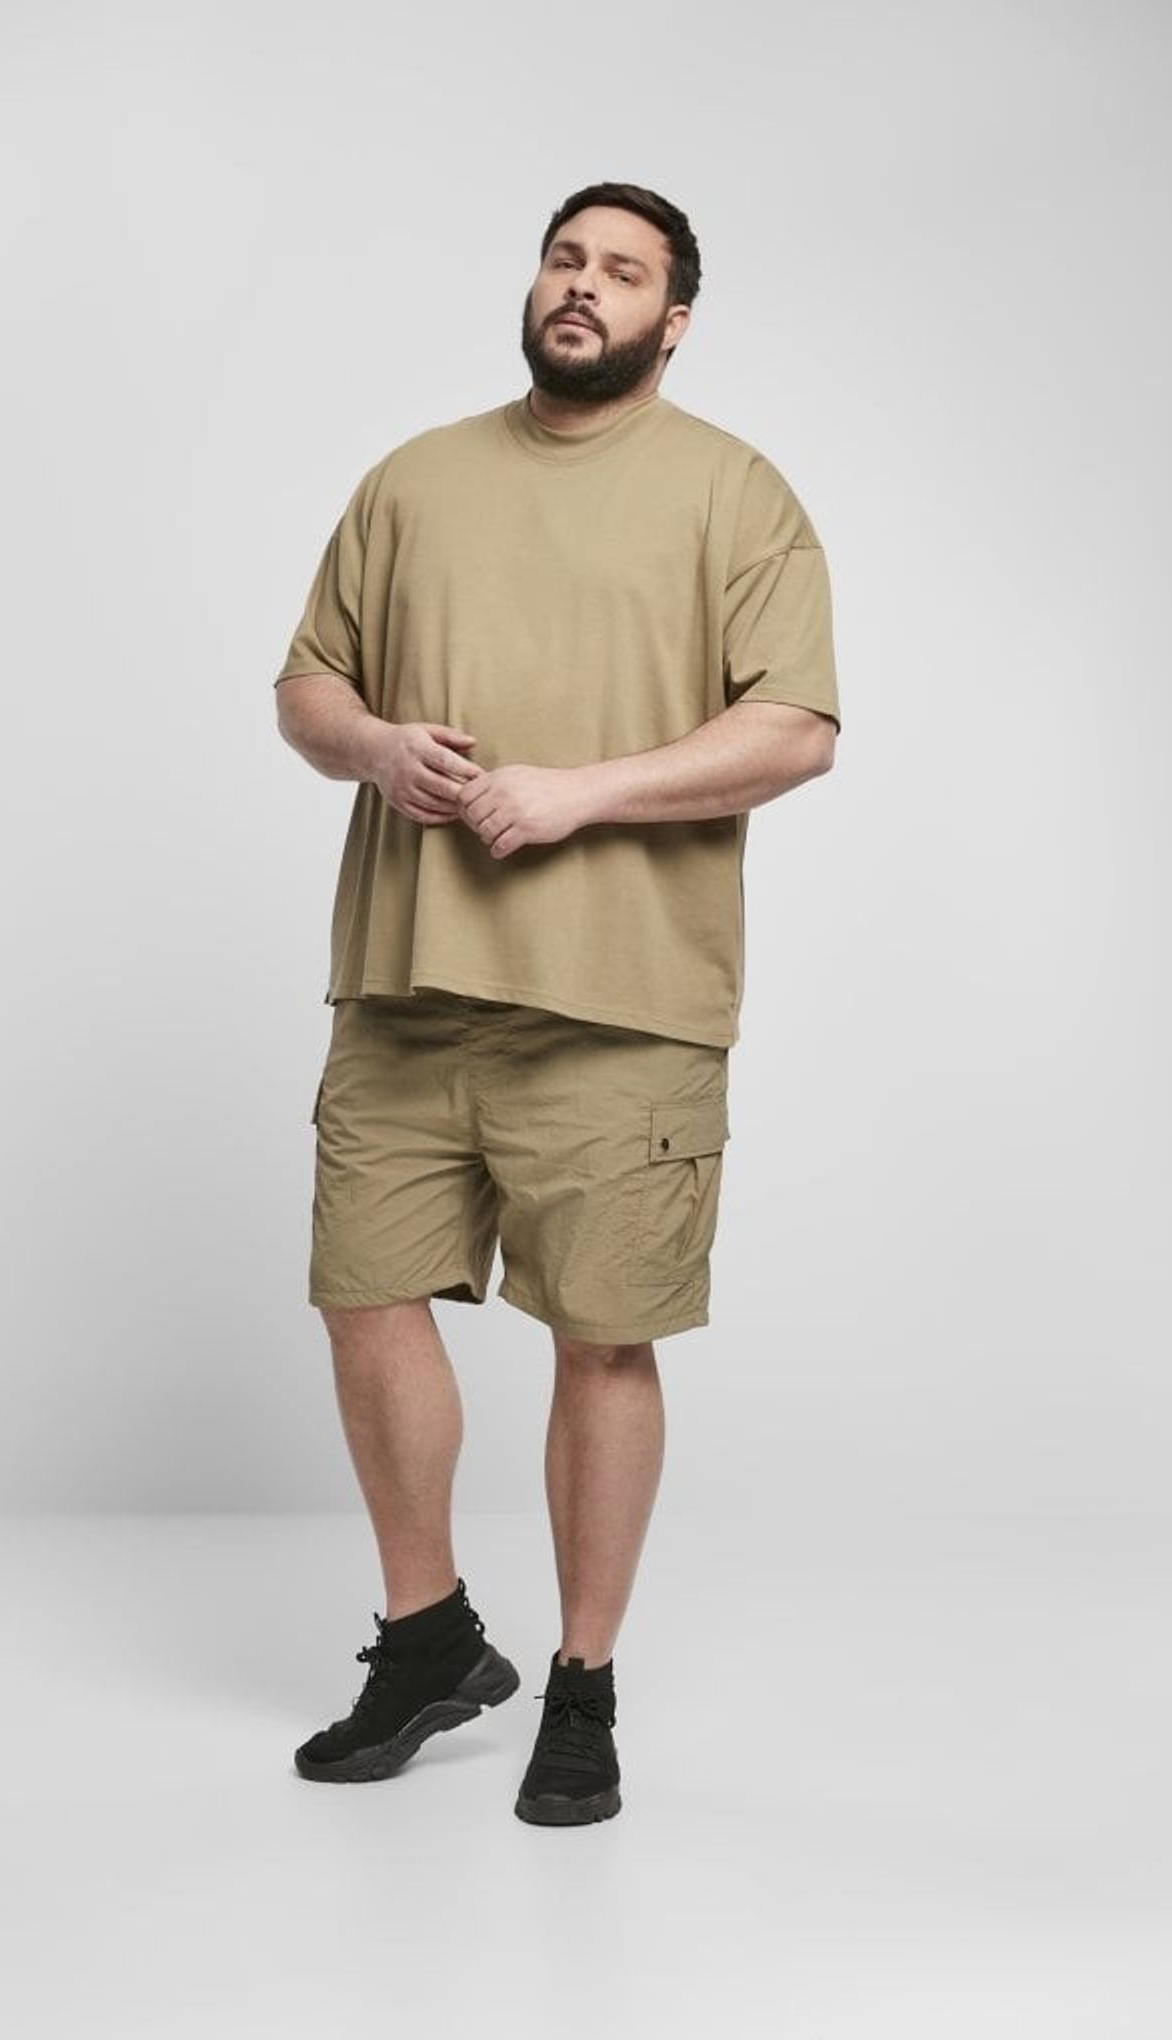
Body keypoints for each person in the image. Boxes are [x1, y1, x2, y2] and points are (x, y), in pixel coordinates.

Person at [273, 181, 841, 1826]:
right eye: (564, 259)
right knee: (365, 1296)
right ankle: (428, 1637)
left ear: (673, 321)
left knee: (601, 1340)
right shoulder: (412, 480)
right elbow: (307, 684)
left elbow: (795, 729)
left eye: (622, 272)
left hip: (623, 1002)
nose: (581, 287)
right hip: (403, 984)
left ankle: (582, 1683)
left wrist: (581, 794)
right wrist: (373, 746)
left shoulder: (734, 493)